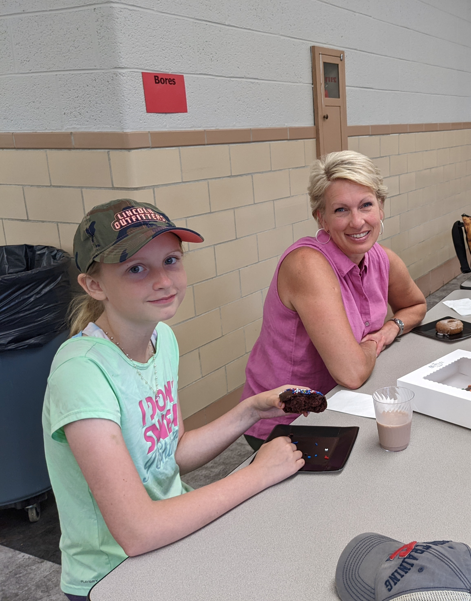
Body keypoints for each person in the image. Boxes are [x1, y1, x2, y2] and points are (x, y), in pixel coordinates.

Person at [42, 200, 306, 601]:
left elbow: (172, 454)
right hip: (112, 577)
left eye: (171, 260)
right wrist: (256, 474)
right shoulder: (81, 375)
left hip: (173, 544)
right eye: (136, 268)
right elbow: (138, 531)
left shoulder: (160, 339)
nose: (164, 281)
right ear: (94, 286)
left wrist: (252, 409)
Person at [241, 150, 427, 449]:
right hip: (290, 421)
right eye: (341, 210)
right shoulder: (308, 265)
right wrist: (370, 344)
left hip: (343, 403)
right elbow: (351, 372)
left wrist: (391, 328)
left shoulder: (381, 258)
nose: (357, 221)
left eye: (366, 205)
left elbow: (416, 305)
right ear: (322, 218)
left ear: (381, 207)